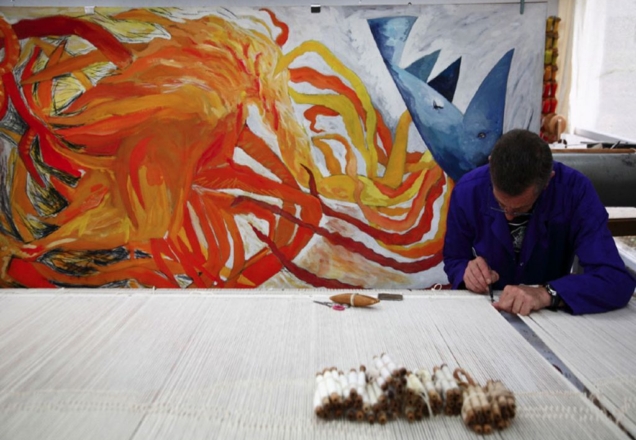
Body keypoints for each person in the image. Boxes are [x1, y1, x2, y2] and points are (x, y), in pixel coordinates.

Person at [443, 129, 635, 315]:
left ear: (548, 181)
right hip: (487, 309)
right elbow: (454, 259)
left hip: (545, 314)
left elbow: (614, 279)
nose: (509, 216)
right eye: (500, 205)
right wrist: (466, 273)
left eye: (519, 208)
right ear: (491, 164)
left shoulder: (574, 193)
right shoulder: (467, 191)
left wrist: (547, 294)